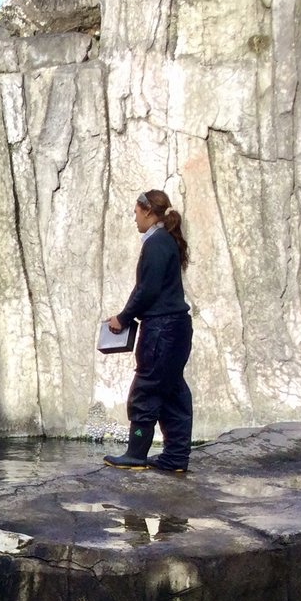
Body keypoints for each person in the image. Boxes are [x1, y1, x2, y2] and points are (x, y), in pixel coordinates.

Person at [103, 189, 193, 472]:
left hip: (161, 330)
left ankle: (136, 453)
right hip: (178, 327)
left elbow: (147, 290)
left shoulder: (155, 244)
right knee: (173, 391)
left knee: (145, 391)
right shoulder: (168, 241)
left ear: (147, 211)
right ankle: (176, 457)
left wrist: (124, 317)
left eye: (136, 213)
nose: (134, 219)